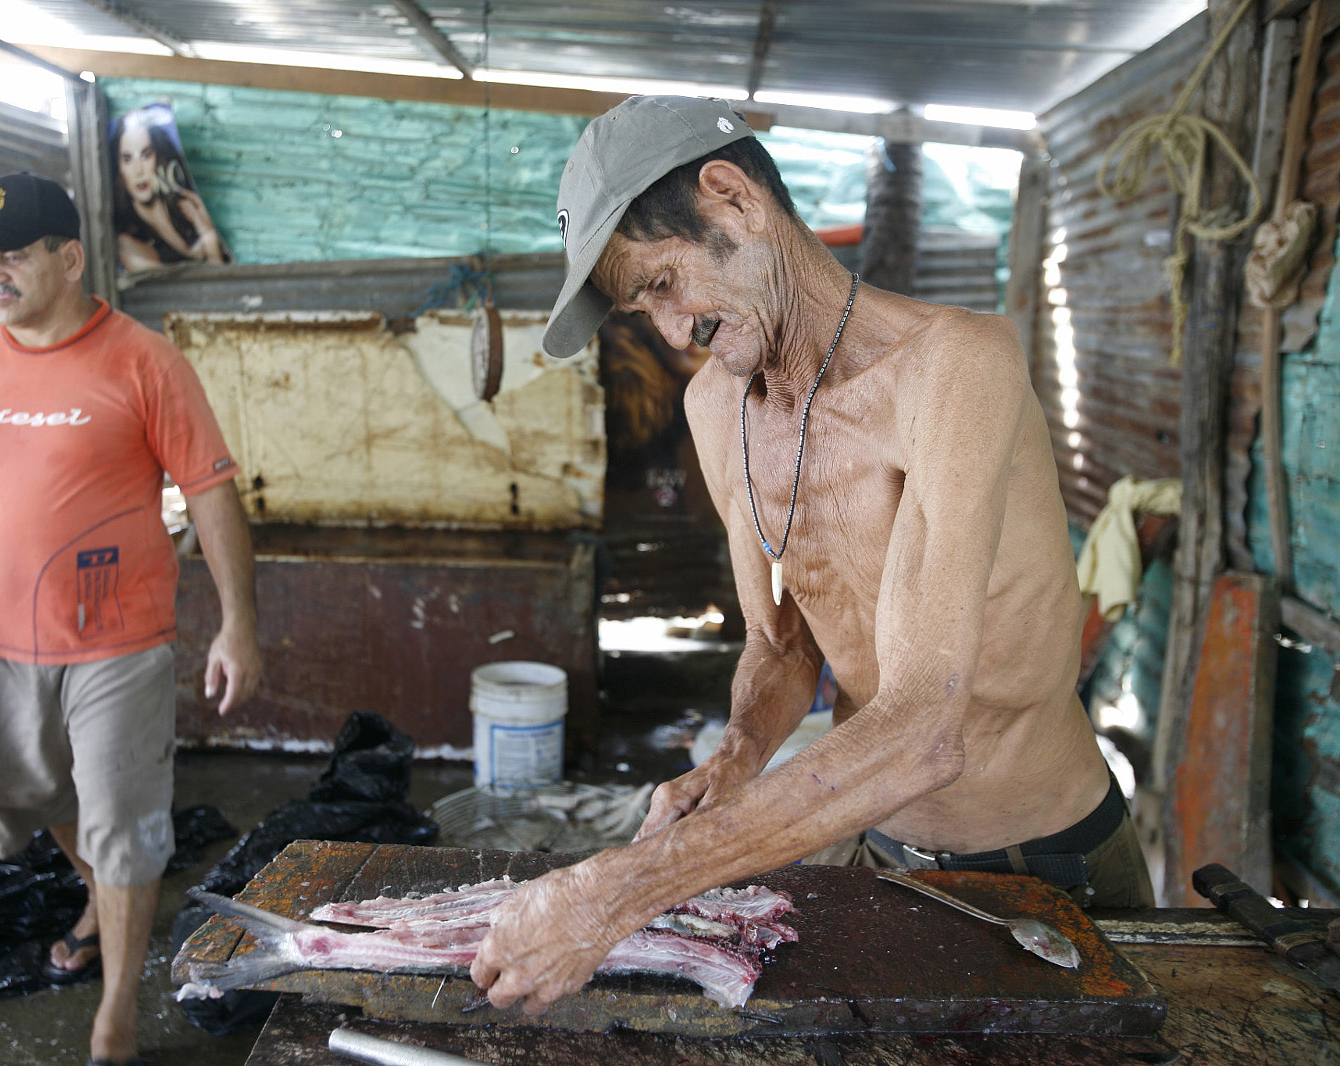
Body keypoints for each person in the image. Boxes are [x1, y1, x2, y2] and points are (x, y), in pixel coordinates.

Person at [469, 96, 1153, 1015]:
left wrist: (617, 890)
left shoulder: (953, 369)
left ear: (733, 201)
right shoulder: (717, 411)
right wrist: (739, 755)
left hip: (1047, 864)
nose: (672, 332)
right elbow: (782, 641)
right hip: (884, 852)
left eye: (665, 282)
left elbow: (925, 730)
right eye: (645, 309)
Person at [0, 171, 261, 1066]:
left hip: (120, 641)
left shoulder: (143, 360)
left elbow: (212, 493)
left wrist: (237, 625)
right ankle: (103, 898)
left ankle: (115, 1022)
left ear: (69, 258)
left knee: (125, 824)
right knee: (30, 800)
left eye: (13, 256)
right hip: (3, 642)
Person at [111, 106, 230, 273]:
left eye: (146, 155)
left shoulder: (185, 208)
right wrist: (209, 241)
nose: (138, 171)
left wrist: (207, 230)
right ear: (120, 169)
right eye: (127, 159)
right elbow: (182, 292)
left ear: (158, 157)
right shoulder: (128, 243)